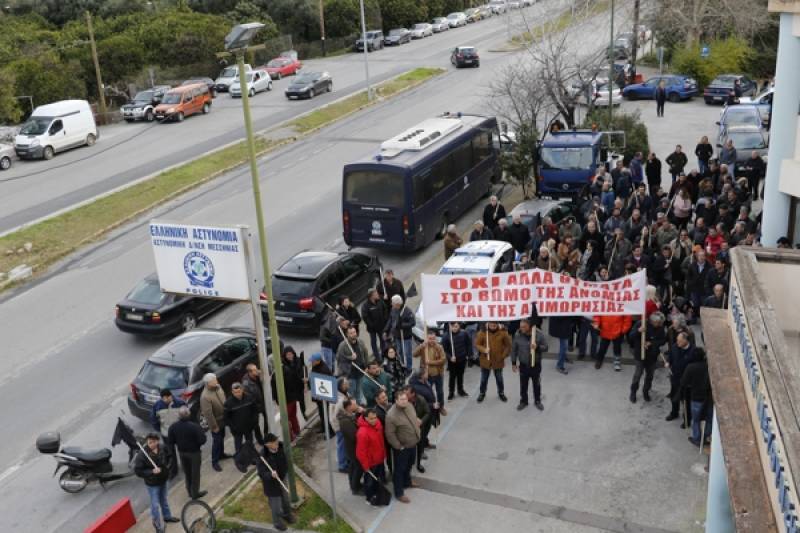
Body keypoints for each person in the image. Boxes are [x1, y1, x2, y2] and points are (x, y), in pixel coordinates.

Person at [134, 432, 179, 532]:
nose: (151, 444)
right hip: (152, 484)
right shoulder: (142, 455)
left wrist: (167, 468)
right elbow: (138, 471)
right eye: (149, 442)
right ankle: (158, 527)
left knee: (164, 500)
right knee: (154, 505)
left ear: (158, 441)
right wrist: (151, 471)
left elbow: (170, 457)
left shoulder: (162, 447)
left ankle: (167, 517)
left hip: (163, 479)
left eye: (153, 442)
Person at [384, 390, 421, 503]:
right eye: (402, 399)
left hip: (413, 443)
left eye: (406, 399)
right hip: (402, 448)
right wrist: (398, 446)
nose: (405, 401)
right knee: (399, 470)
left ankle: (407, 482)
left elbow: (414, 418)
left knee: (410, 465)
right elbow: (390, 434)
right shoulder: (391, 415)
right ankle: (399, 492)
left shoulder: (409, 406)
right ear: (396, 401)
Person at [167, 406, 207, 500]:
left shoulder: (173, 427)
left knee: (187, 473)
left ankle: (189, 491)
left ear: (179, 416)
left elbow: (170, 442)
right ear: (188, 414)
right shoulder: (194, 426)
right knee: (195, 474)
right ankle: (195, 493)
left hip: (182, 453)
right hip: (194, 453)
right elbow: (203, 440)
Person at [256, 433, 294, 531]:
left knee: (286, 498)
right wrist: (270, 474)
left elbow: (284, 460)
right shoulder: (262, 456)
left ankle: (287, 515)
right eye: (274, 442)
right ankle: (277, 522)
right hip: (271, 484)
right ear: (268, 444)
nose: (277, 442)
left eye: (276, 440)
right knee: (275, 504)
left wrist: (284, 471)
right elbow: (261, 473)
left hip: (282, 478)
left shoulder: (280, 446)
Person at [629, 312, 667, 403]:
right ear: (652, 321)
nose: (660, 324)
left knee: (650, 375)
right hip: (640, 355)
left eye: (661, 323)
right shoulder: (640, 323)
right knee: (638, 374)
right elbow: (631, 336)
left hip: (652, 356)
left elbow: (663, 340)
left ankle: (646, 391)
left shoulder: (660, 328)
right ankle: (633, 392)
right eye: (658, 323)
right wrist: (638, 331)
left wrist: (651, 343)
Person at [511, 319, 548, 411]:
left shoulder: (539, 334)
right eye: (521, 326)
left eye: (524, 327)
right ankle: (523, 401)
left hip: (536, 365)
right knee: (523, 385)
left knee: (537, 384)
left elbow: (546, 347)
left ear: (530, 326)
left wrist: (537, 347)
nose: (521, 328)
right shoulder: (517, 334)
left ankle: (537, 401)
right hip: (523, 365)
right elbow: (514, 349)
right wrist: (513, 363)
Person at [271, 346, 305, 440]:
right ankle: (297, 431)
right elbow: (297, 381)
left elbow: (275, 389)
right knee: (293, 416)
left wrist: (277, 400)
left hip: (286, 400)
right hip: (292, 398)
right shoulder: (287, 370)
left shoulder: (277, 374)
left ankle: (291, 437)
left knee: (285, 419)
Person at [681, 348, 713, 446]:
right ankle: (706, 436)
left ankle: (697, 438)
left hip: (696, 398)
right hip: (709, 398)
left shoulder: (691, 367)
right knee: (709, 418)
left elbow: (683, 382)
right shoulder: (708, 366)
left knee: (696, 420)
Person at [475, 322, 512, 403]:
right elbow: (477, 344)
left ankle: (501, 393)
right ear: (487, 324)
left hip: (498, 360)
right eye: (491, 324)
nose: (493, 326)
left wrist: (503, 355)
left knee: (499, 378)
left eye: (494, 325)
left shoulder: (503, 333)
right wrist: (484, 350)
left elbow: (508, 346)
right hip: (485, 360)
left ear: (497, 324)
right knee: (484, 379)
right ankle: (482, 393)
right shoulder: (482, 332)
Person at [356, 408, 386, 506]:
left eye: (375, 418)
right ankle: (369, 498)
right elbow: (360, 452)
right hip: (371, 463)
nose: (374, 420)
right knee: (369, 482)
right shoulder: (362, 433)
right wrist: (366, 466)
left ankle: (377, 493)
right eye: (371, 419)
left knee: (378, 479)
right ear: (365, 418)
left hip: (379, 459)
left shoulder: (378, 424)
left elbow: (381, 441)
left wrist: (383, 454)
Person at [413, 330, 447, 412]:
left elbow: (443, 360)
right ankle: (430, 406)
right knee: (428, 392)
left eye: (433, 338)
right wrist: (421, 346)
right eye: (430, 338)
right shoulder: (423, 347)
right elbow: (414, 354)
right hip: (427, 375)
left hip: (438, 374)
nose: (432, 340)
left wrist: (431, 362)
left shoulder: (439, 347)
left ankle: (441, 406)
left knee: (440, 392)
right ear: (426, 339)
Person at [200, 373, 227, 472]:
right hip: (216, 422)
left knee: (222, 438)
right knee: (217, 441)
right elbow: (208, 414)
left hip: (224, 419)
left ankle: (222, 454)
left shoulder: (218, 387)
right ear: (208, 383)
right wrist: (214, 427)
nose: (217, 381)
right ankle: (214, 461)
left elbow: (223, 397)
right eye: (214, 380)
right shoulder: (205, 396)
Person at [666, 332, 695, 422]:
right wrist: (668, 363)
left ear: (686, 341)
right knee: (674, 397)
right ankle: (674, 413)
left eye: (680, 341)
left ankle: (687, 418)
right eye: (677, 341)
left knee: (686, 400)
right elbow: (670, 357)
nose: (677, 343)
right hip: (675, 377)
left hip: (686, 381)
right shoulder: (675, 346)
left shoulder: (693, 351)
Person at [336, 326, 370, 404]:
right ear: (347, 334)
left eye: (354, 332)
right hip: (350, 374)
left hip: (360, 372)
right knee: (351, 394)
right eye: (351, 333)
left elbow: (365, 353)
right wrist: (350, 357)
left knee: (359, 393)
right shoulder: (343, 346)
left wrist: (367, 366)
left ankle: (360, 408)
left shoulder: (360, 342)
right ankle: (353, 409)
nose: (353, 334)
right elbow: (339, 359)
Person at [224, 382, 259, 454]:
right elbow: (226, 418)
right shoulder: (228, 403)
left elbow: (255, 411)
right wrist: (233, 428)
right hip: (237, 431)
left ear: (242, 390)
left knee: (250, 444)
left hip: (248, 427)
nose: (238, 394)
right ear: (232, 392)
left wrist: (254, 422)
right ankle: (240, 461)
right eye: (235, 392)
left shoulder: (249, 398)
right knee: (238, 446)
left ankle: (251, 457)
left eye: (239, 391)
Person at [406, 382, 432, 473]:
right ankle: (409, 464)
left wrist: (421, 421)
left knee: (420, 446)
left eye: (407, 394)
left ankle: (418, 464)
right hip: (408, 431)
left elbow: (427, 412)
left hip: (420, 428)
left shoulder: (421, 400)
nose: (405, 396)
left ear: (413, 394)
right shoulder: (403, 402)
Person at [339, 399, 363, 495]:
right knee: (358, 467)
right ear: (348, 407)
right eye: (354, 404)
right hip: (352, 449)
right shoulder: (345, 421)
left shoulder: (351, 416)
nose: (356, 405)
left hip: (353, 448)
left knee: (353, 467)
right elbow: (354, 436)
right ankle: (355, 487)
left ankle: (354, 485)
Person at [385, 295, 415, 371]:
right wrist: (386, 330)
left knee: (407, 353)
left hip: (406, 336)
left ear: (397, 304)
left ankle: (409, 368)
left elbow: (413, 323)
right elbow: (390, 320)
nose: (391, 304)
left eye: (392, 303)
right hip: (397, 336)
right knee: (399, 352)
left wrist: (402, 325)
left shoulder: (407, 311)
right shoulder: (393, 309)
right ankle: (402, 365)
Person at [443, 322, 471, 399]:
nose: (454, 328)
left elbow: (468, 344)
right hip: (452, 361)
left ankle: (460, 390)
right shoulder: (446, 336)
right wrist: (450, 357)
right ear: (450, 327)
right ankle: (451, 392)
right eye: (452, 327)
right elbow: (444, 350)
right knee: (452, 377)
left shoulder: (464, 333)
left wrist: (468, 355)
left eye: (456, 326)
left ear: (459, 326)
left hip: (462, 359)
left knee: (460, 375)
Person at [241, 363, 267, 444]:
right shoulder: (246, 384)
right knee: (256, 424)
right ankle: (260, 439)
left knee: (267, 418)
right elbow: (248, 398)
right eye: (255, 370)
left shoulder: (259, 375)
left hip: (263, 402)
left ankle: (266, 434)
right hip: (255, 406)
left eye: (256, 369)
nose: (257, 371)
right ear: (250, 372)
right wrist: (256, 406)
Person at [362, 288, 389, 361]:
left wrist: (385, 319)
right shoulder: (365, 306)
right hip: (372, 329)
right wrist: (372, 325)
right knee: (373, 342)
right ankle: (377, 357)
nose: (378, 295)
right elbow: (365, 317)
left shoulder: (380, 301)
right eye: (376, 294)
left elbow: (385, 309)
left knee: (382, 340)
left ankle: (383, 354)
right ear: (371, 296)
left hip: (381, 326)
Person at [308, 353, 333, 433]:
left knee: (326, 413)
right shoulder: (316, 367)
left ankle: (330, 430)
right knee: (321, 413)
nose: (311, 362)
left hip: (323, 396)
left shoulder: (323, 370)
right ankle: (324, 428)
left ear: (318, 361)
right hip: (319, 396)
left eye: (313, 361)